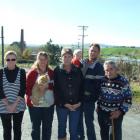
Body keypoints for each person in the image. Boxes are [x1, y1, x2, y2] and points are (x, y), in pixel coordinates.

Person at [97, 60, 132, 140]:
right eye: (106, 70)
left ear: (116, 69)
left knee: (114, 136)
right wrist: (98, 105)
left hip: (116, 114)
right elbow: (100, 95)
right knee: (104, 135)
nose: (108, 72)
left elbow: (128, 100)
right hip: (102, 113)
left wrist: (120, 111)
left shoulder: (123, 82)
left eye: (111, 69)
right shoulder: (102, 80)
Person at [54, 48, 83, 140]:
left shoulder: (78, 70)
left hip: (76, 105)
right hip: (62, 105)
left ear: (72, 57)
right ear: (61, 57)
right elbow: (56, 90)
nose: (66, 59)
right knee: (62, 128)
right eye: (64, 56)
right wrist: (65, 103)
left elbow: (82, 88)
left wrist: (79, 102)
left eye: (69, 56)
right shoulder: (57, 70)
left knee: (73, 130)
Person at [78, 43, 104, 140]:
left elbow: (98, 86)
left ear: (98, 53)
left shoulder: (99, 67)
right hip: (78, 99)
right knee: (78, 122)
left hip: (89, 101)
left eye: (95, 51)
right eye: (91, 50)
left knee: (89, 123)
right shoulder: (81, 63)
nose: (92, 52)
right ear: (88, 51)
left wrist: (92, 98)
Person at [26, 51, 54, 140]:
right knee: (36, 128)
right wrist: (31, 97)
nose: (42, 61)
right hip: (35, 104)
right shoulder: (32, 73)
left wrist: (47, 87)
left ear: (47, 60)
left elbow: (56, 87)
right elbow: (26, 88)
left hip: (48, 104)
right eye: (40, 59)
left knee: (47, 127)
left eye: (44, 59)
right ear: (37, 60)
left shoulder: (51, 72)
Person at [0, 50, 26, 140]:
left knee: (17, 129)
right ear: (5, 60)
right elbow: (0, 90)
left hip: (18, 104)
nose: (10, 61)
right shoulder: (0, 72)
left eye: (13, 59)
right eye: (8, 59)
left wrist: (14, 105)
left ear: (16, 60)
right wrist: (8, 105)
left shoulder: (22, 71)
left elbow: (22, 89)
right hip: (4, 105)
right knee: (6, 130)